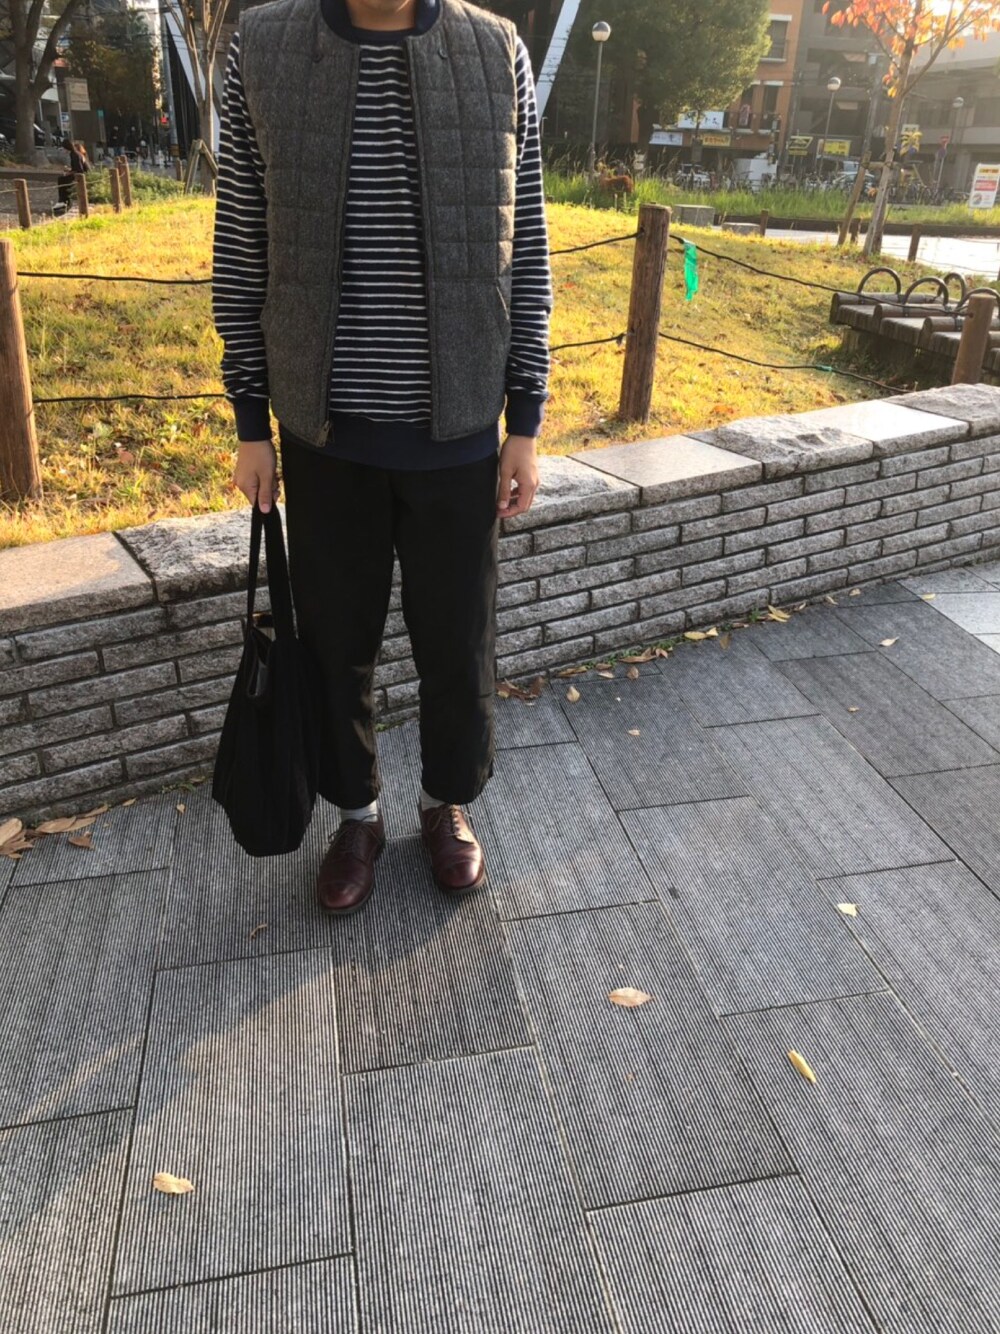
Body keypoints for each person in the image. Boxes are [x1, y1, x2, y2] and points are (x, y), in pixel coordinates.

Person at [212, 0, 553, 914]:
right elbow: (242, 240)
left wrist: (525, 419)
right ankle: (356, 814)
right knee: (335, 646)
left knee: (458, 643)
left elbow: (527, 246)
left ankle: (446, 804)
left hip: (461, 432)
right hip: (325, 436)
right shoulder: (264, 46)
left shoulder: (496, 50)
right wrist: (250, 420)